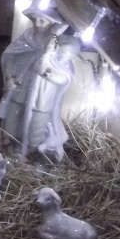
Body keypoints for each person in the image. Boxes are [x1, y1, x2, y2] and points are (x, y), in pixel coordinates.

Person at [0, 0, 67, 153]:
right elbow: (11, 57)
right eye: (34, 19)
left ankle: (33, 156)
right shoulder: (27, 37)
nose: (37, 24)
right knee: (11, 125)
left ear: (52, 21)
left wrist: (46, 72)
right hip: (20, 90)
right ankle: (11, 152)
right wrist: (10, 77)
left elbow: (65, 73)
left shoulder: (56, 45)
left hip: (41, 98)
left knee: (35, 130)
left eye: (43, 20)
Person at [23, 34, 80, 162]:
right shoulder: (50, 59)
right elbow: (39, 67)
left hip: (46, 105)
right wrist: (48, 54)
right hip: (36, 101)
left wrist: (47, 64)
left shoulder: (66, 69)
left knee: (38, 131)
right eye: (66, 52)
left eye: (71, 54)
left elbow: (57, 77)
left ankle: (35, 157)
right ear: (59, 49)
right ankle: (31, 155)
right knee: (32, 129)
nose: (68, 56)